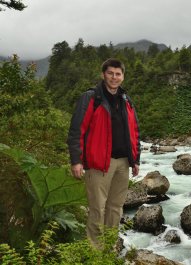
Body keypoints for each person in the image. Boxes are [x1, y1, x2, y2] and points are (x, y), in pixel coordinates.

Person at [67, 58, 140, 248]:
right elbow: (77, 130)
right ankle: (95, 253)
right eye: (110, 73)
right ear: (103, 75)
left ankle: (109, 249)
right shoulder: (92, 97)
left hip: (123, 163)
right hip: (99, 163)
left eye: (118, 74)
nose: (114, 77)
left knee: (115, 208)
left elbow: (134, 131)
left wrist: (135, 159)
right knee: (97, 209)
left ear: (122, 76)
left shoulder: (126, 99)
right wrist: (76, 160)